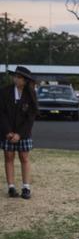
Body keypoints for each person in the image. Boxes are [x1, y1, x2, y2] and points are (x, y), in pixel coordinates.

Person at [0, 65, 38, 199]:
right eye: (15, 76)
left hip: (23, 132)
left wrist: (19, 134)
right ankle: (11, 187)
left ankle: (26, 187)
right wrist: (8, 131)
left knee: (24, 158)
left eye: (19, 77)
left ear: (25, 80)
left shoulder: (31, 94)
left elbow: (31, 117)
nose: (15, 79)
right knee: (9, 158)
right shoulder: (5, 92)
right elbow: (1, 113)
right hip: (7, 132)